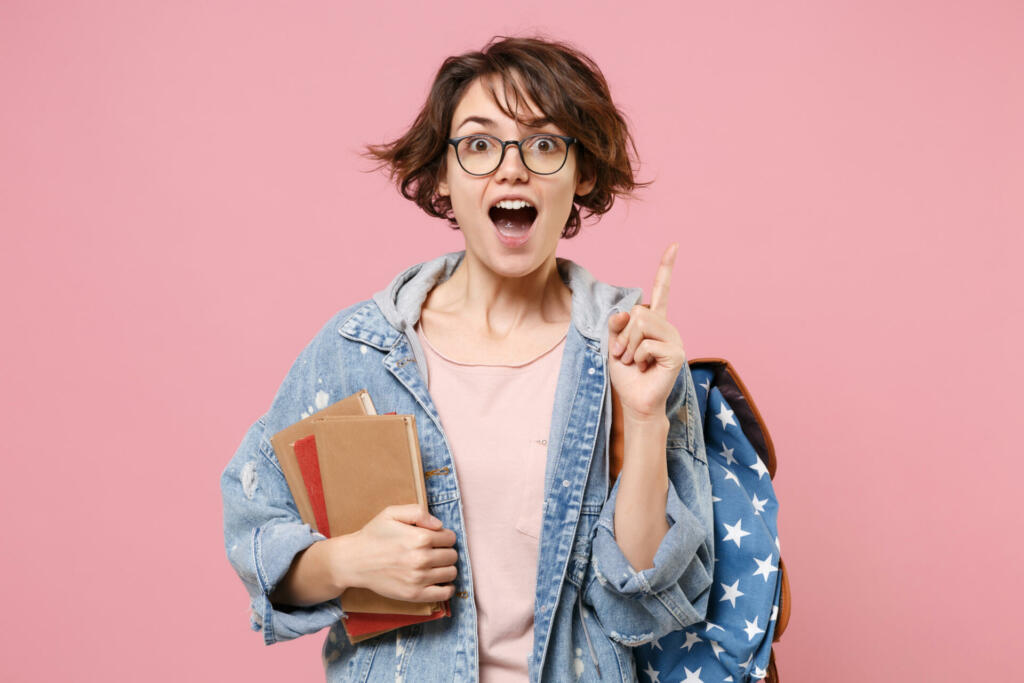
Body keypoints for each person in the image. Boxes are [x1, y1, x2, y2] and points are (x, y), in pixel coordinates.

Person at [221, 35, 714, 682]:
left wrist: (647, 418)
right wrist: (346, 563)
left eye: (543, 144)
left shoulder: (626, 350)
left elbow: (639, 608)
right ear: (444, 179)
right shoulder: (363, 349)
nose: (512, 169)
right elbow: (255, 527)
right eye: (479, 145)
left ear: (582, 171)